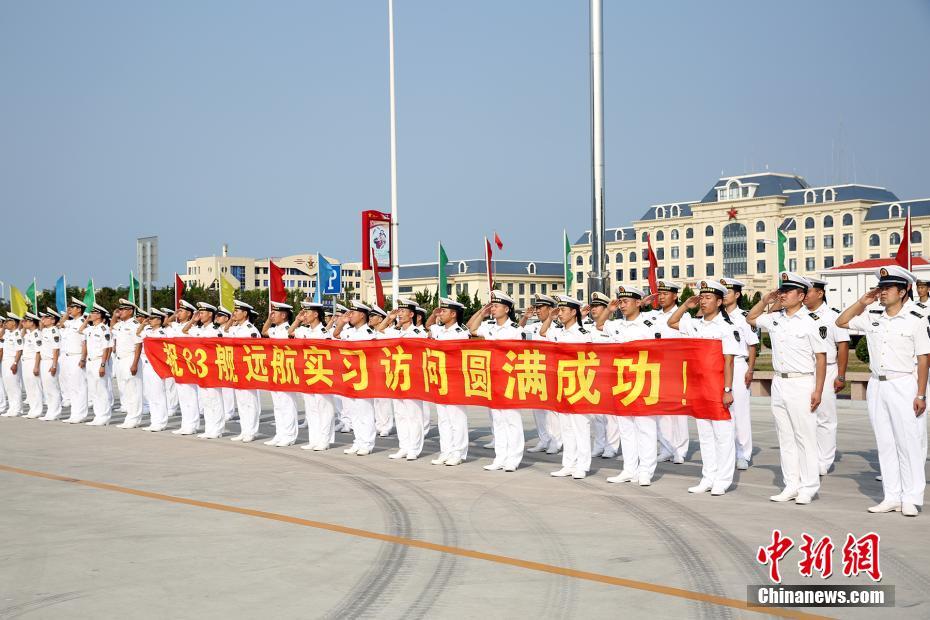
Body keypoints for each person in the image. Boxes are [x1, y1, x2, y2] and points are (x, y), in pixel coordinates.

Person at [837, 265, 929, 517]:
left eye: (887, 288)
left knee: (908, 443)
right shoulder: (873, 315)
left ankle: (911, 497)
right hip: (877, 384)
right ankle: (891, 496)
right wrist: (862, 302)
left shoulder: (916, 319)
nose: (882, 292)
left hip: (904, 383)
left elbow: (923, 358)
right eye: (881, 288)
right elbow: (841, 321)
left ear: (903, 291)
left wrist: (921, 394)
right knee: (885, 442)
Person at [747, 272, 827, 505]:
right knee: (786, 437)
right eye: (781, 291)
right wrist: (765, 300)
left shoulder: (812, 322)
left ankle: (809, 486)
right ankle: (791, 484)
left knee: (805, 437)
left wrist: (818, 390)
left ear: (801, 295)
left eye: (787, 291)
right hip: (780, 382)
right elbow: (751, 318)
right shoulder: (775, 318)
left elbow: (821, 359)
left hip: (802, 382)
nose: (782, 295)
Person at [667, 281, 741, 495]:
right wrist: (685, 306)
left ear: (719, 302)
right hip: (698, 387)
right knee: (705, 435)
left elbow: (729, 361)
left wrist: (728, 390)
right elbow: (672, 322)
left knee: (722, 434)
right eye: (702, 296)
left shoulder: (727, 328)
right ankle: (708, 477)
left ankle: (723, 479)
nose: (703, 300)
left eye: (708, 297)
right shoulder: (696, 324)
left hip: (717, 386)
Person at [596, 286, 660, 486]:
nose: (622, 305)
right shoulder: (617, 325)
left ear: (638, 303)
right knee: (626, 428)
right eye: (620, 302)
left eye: (626, 301)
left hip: (643, 379)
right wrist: (609, 309)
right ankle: (629, 469)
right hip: (621, 381)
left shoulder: (649, 325)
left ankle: (646, 471)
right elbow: (599, 325)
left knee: (645, 427)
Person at [467, 290, 525, 472]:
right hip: (493, 377)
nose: (493, 309)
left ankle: (513, 458)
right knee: (497, 419)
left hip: (510, 379)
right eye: (492, 305)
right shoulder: (489, 326)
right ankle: (500, 457)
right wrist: (481, 313)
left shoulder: (516, 330)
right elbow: (471, 328)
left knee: (511, 419)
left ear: (507, 309)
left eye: (496, 306)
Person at [540, 295, 594, 479]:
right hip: (562, 384)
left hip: (579, 384)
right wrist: (550, 317)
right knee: (566, 427)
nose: (560, 313)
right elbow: (542, 333)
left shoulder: (584, 335)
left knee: (580, 427)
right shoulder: (559, 333)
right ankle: (568, 464)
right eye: (559, 310)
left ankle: (582, 465)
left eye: (563, 310)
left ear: (574, 312)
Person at [803, 276, 851, 476]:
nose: (804, 296)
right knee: (807, 416)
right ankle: (810, 456)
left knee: (825, 417)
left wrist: (840, 375)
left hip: (829, 368)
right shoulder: (800, 315)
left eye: (808, 292)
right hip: (806, 370)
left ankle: (825, 459)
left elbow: (843, 346)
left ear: (820, 293)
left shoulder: (832, 316)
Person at [375, 298, 428, 460]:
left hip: (413, 377)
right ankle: (403, 446)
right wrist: (389, 318)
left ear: (412, 314)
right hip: (397, 376)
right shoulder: (396, 331)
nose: (400, 314)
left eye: (403, 312)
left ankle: (414, 448)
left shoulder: (419, 332)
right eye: (399, 311)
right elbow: (379, 330)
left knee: (413, 415)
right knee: (400, 414)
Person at [645, 280, 689, 464]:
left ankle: (680, 449)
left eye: (665, 293)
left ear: (675, 295)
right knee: (661, 411)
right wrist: (641, 303)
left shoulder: (683, 317)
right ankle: (665, 447)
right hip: (656, 368)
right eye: (659, 294)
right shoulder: (653, 316)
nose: (661, 297)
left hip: (676, 367)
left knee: (678, 412)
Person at [426, 297, 471, 465]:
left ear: (453, 314)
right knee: (443, 418)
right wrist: (433, 314)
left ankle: (458, 453)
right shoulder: (439, 330)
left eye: (444, 311)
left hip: (455, 379)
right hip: (439, 378)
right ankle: (446, 451)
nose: (441, 313)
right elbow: (428, 328)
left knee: (456, 418)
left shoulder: (461, 333)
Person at [720, 278, 759, 470]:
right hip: (719, 367)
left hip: (738, 365)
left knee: (740, 412)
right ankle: (726, 451)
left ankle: (743, 453)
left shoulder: (745, 316)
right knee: (722, 412)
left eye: (728, 292)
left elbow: (752, 346)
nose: (725, 295)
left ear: (737, 295)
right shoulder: (717, 316)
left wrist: (750, 369)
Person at [332, 301, 378, 456]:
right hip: (350, 376)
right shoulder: (349, 332)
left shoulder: (369, 334)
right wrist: (341, 322)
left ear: (362, 315)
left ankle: (367, 443)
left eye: (353, 313)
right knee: (354, 411)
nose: (349, 315)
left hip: (364, 377)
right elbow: (336, 335)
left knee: (365, 411)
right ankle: (358, 441)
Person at [520, 294, 563, 455]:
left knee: (552, 410)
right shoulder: (533, 326)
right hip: (535, 371)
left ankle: (556, 441)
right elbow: (519, 332)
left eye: (540, 308)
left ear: (551, 309)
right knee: (537, 409)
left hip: (551, 372)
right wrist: (525, 318)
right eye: (536, 307)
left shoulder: (558, 328)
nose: (537, 311)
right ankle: (544, 439)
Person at [291, 301, 336, 450]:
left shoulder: (324, 332)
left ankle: (324, 440)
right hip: (308, 373)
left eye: (307, 312)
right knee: (311, 408)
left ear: (316, 314)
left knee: (324, 407)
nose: (305, 315)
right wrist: (298, 320)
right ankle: (314, 439)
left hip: (322, 373)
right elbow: (289, 333)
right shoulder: (305, 330)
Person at [182, 302, 225, 439]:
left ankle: (217, 429)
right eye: (199, 312)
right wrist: (193, 320)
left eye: (202, 312)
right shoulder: (199, 329)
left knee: (214, 399)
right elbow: (185, 331)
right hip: (201, 369)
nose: (199, 314)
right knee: (205, 399)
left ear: (210, 314)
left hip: (212, 368)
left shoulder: (215, 330)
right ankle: (209, 428)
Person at [586, 292, 621, 459]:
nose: (593, 309)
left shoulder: (614, 327)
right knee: (595, 415)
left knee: (610, 415)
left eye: (597, 306)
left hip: (610, 374)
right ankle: (599, 444)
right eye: (592, 306)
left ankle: (611, 446)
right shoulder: (586, 327)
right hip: (592, 374)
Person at [261, 301, 300, 447]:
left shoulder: (289, 330)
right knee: (278, 405)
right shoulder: (275, 329)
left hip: (287, 370)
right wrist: (269, 319)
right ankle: (280, 433)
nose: (272, 315)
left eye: (275, 313)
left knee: (287, 404)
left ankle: (289, 436)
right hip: (275, 369)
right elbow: (264, 332)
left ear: (283, 315)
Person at [223, 300, 263, 442]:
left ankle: (251, 431)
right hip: (236, 368)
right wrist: (231, 320)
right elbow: (224, 332)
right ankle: (244, 430)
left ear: (245, 313)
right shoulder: (236, 328)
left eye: (237, 311)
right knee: (241, 401)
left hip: (248, 369)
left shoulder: (251, 330)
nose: (234, 313)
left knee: (249, 401)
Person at [165, 300, 202, 435]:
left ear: (189, 313)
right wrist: (174, 314)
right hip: (177, 363)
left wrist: (192, 321)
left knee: (190, 395)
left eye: (181, 311)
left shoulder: (194, 329)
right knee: (182, 396)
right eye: (178, 311)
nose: (178, 313)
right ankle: (185, 423)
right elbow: (165, 323)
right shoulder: (174, 325)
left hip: (188, 365)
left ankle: (192, 424)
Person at [111, 299, 144, 429]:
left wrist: (135, 363)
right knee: (125, 390)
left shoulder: (134, 325)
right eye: (120, 309)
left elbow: (138, 345)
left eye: (123, 309)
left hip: (130, 358)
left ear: (130, 311)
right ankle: (130, 417)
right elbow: (112, 327)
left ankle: (134, 418)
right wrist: (114, 316)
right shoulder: (121, 324)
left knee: (133, 390)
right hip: (120, 360)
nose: (120, 311)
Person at [137, 309, 170, 432]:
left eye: (152, 318)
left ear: (159, 320)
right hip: (146, 365)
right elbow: (137, 333)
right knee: (150, 394)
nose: (149, 320)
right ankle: (154, 421)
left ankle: (161, 422)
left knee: (158, 394)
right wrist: (143, 324)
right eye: (149, 318)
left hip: (155, 365)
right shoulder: (148, 330)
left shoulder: (161, 333)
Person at [80, 304, 113, 426]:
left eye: (93, 313)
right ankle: (98, 415)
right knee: (94, 390)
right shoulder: (90, 329)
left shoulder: (104, 329)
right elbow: (80, 330)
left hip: (99, 361)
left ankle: (104, 416)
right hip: (90, 362)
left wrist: (103, 365)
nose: (91, 315)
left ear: (99, 315)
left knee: (102, 390)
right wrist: (87, 320)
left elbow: (106, 348)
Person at [59, 298, 90, 424]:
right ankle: (74, 413)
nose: (70, 309)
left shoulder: (83, 323)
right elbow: (60, 324)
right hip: (67, 357)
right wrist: (66, 314)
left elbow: (84, 343)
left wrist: (83, 358)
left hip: (77, 357)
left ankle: (81, 414)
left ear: (79, 309)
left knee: (79, 386)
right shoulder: (70, 322)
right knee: (71, 386)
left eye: (73, 308)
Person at [368, 304, 395, 437]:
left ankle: (386, 425)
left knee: (384, 399)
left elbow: (381, 330)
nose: (370, 318)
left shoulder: (388, 331)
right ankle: (379, 423)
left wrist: (388, 318)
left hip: (386, 368)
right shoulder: (371, 331)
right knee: (376, 399)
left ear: (380, 319)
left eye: (373, 316)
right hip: (374, 368)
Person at [36, 309, 63, 421]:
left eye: (47, 318)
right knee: (47, 389)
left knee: (53, 388)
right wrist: (42, 323)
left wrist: (54, 365)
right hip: (43, 361)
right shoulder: (45, 331)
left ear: (52, 320)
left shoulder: (54, 331)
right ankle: (50, 411)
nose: (44, 319)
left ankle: (55, 412)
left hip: (50, 361)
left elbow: (55, 350)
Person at [20, 312, 45, 419]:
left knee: (35, 387)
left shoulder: (36, 334)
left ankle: (37, 410)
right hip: (25, 362)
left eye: (26, 321)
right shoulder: (29, 333)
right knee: (29, 388)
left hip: (32, 362)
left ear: (32, 322)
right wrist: (24, 326)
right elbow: (21, 335)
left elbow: (38, 352)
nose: (24, 322)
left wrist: (36, 366)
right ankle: (32, 409)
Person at [0, 314, 24, 418]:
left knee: (14, 386)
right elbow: (1, 337)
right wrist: (4, 329)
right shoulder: (8, 334)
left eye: (7, 321)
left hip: (12, 361)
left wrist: (15, 363)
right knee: (8, 386)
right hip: (5, 362)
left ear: (13, 322)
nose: (5, 323)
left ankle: (17, 409)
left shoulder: (17, 334)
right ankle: (12, 408)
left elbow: (19, 350)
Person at [159, 306, 181, 416]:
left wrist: (172, 316)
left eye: (165, 316)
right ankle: (167, 405)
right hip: (164, 359)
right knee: (165, 384)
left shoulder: (175, 327)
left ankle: (172, 407)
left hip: (174, 358)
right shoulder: (163, 329)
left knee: (171, 384)